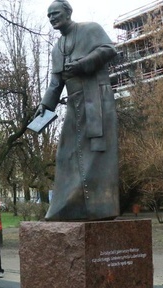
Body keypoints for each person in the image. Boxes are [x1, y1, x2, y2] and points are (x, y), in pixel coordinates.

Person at [35, 0, 118, 221]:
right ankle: (67, 208)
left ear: (68, 12)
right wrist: (45, 105)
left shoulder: (90, 29)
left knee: (97, 154)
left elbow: (109, 49)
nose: (52, 17)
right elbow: (55, 81)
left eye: (56, 13)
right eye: (49, 15)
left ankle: (101, 208)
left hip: (97, 98)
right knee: (65, 155)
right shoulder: (57, 48)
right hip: (75, 103)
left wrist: (83, 64)